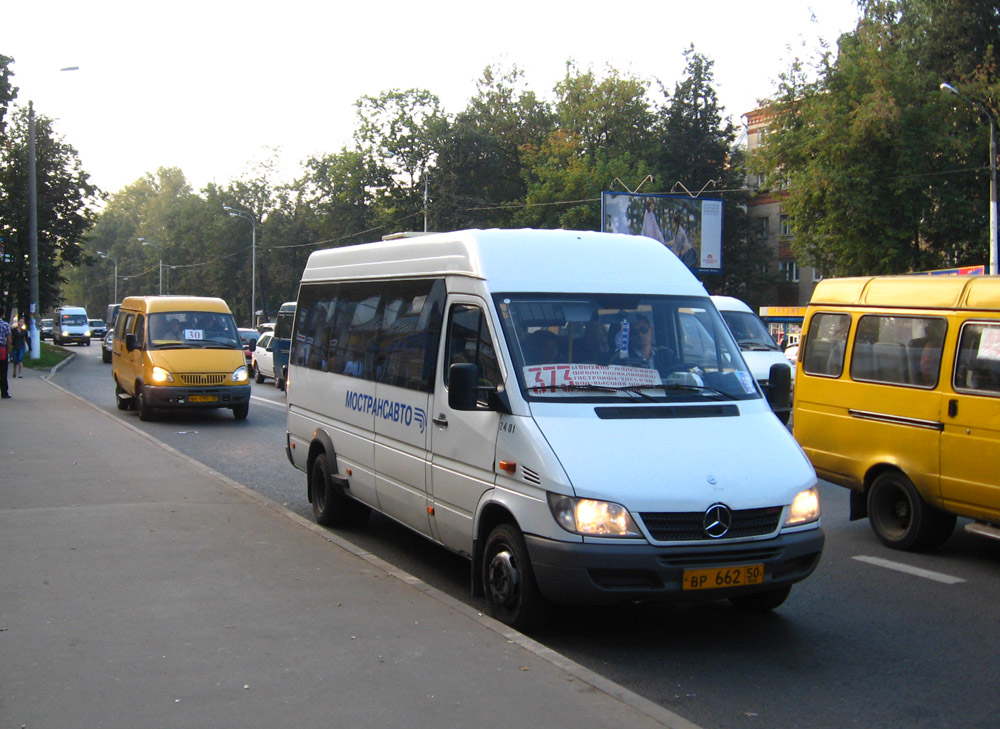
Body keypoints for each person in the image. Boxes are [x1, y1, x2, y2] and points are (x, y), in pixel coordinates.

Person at [0, 308, 12, 398]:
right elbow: (9, 340)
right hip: (2, 349)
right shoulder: (5, 325)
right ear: (2, 314)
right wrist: (8, 351)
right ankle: (4, 392)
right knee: (3, 371)